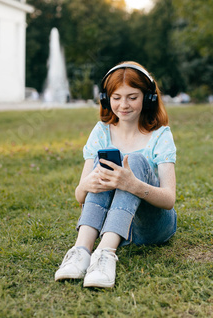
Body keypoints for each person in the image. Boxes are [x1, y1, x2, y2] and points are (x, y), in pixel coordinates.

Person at [55, 61, 177, 288]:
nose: (124, 105)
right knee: (103, 167)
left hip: (151, 226)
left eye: (133, 97)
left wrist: (133, 184)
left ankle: (104, 254)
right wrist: (87, 184)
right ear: (106, 99)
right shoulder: (101, 132)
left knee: (136, 161)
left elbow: (169, 200)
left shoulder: (161, 135)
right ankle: (81, 252)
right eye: (117, 97)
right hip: (111, 223)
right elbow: (80, 195)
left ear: (148, 98)